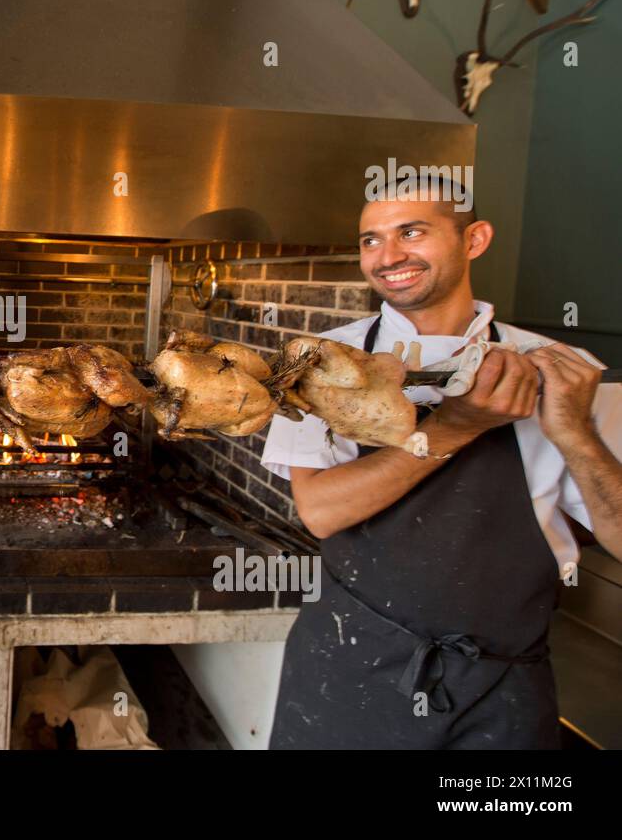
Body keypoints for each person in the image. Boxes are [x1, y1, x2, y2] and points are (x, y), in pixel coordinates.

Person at [261, 177, 622, 749]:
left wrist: (575, 433)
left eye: (412, 232)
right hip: (351, 670)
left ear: (474, 238)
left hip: (502, 689)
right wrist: (456, 426)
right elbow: (322, 511)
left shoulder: (564, 372)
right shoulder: (318, 364)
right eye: (370, 240)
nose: (389, 257)